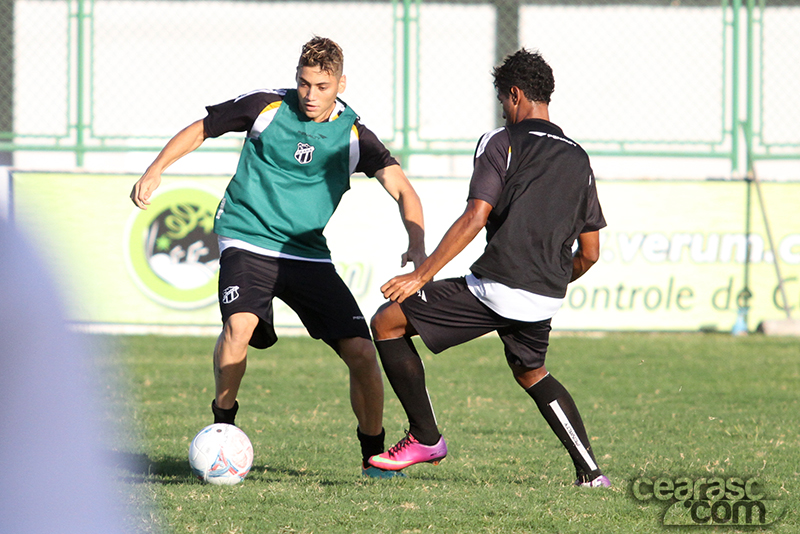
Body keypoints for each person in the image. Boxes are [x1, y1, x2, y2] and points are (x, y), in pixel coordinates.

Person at [130, 37, 425, 478]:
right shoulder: (265, 107)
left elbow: (402, 188)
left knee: (363, 352)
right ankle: (223, 429)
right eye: (304, 84)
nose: (310, 95)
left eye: (322, 86)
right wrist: (156, 168)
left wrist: (417, 243)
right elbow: (203, 128)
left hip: (306, 254)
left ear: (341, 84)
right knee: (240, 326)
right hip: (247, 238)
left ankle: (374, 458)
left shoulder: (353, 135)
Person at [367, 48, 610, 487]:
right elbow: (590, 252)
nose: (502, 111)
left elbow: (476, 216)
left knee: (386, 323)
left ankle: (425, 437)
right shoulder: (579, 158)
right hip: (545, 296)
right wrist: (552, 279)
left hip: (497, 287)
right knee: (531, 372)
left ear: (515, 95)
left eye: (502, 101)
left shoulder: (501, 141)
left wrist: (421, 275)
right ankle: (592, 474)